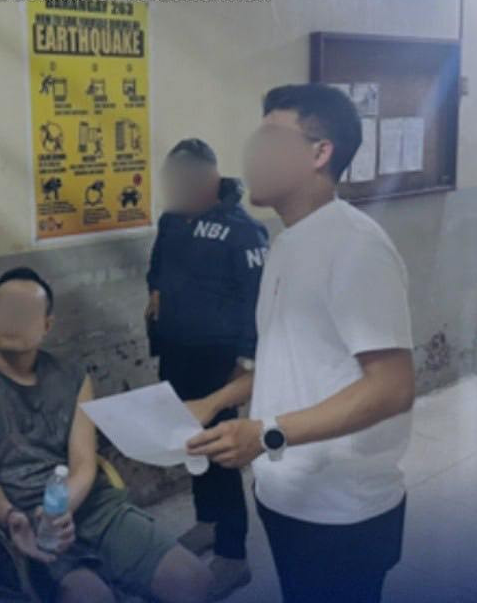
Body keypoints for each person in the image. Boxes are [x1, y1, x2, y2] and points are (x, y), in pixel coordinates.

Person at [187, 84, 416, 603]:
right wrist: (214, 402)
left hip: (342, 511)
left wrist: (267, 434)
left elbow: (393, 387)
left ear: (320, 153)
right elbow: (288, 360)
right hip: (288, 493)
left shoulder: (355, 248)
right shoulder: (287, 242)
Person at [0, 267, 211, 603]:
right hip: (19, 519)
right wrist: (13, 519)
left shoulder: (73, 377)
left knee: (192, 579)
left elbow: (83, 463)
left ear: (46, 325)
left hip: (88, 505)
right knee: (92, 596)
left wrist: (62, 509)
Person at [144, 138, 268, 599]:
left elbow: (257, 303)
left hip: (220, 361)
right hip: (176, 352)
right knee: (189, 444)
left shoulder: (244, 231)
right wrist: (156, 293)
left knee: (221, 452)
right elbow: (157, 268)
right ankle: (208, 522)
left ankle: (233, 554)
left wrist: (245, 363)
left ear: (210, 178)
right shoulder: (171, 219)